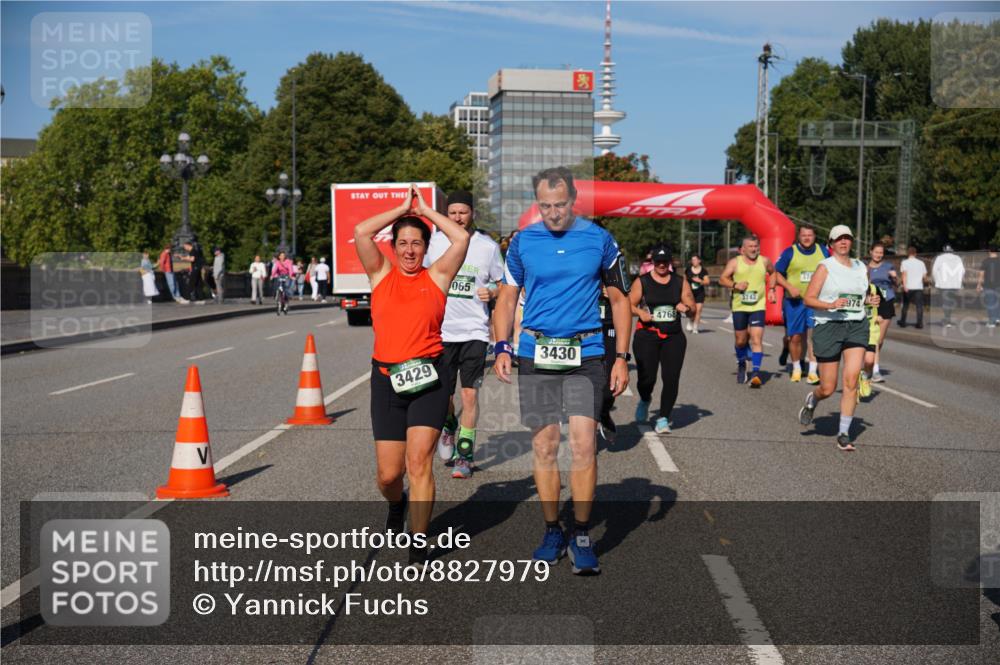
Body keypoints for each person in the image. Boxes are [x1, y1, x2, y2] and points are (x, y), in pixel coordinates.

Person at [493, 166, 631, 575]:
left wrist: (621, 356)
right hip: (536, 351)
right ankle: (553, 528)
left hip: (586, 351)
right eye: (544, 205)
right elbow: (506, 298)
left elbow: (621, 300)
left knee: (585, 445)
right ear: (537, 203)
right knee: (545, 447)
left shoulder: (599, 240)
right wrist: (502, 345)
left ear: (574, 200)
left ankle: (583, 533)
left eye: (560, 205)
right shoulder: (522, 242)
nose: (552, 213)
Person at [355, 185, 469, 565]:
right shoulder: (380, 274)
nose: (409, 250)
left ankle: (419, 540)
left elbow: (460, 236)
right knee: (389, 475)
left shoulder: (437, 276)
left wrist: (426, 212)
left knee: (419, 462)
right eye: (402, 242)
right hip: (387, 380)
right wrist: (402, 208)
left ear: (425, 247)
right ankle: (397, 503)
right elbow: (360, 232)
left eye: (416, 243)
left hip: (429, 379)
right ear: (392, 246)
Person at [424, 190, 505, 479]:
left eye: (463, 212)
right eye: (453, 212)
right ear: (446, 214)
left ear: (472, 214)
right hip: (440, 333)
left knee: (470, 396)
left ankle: (465, 455)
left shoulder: (487, 247)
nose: (458, 217)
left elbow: (503, 284)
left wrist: (493, 291)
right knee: (443, 396)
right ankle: (448, 426)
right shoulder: (433, 244)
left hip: (475, 333)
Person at [798, 225, 878, 451]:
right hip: (829, 326)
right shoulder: (825, 267)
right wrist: (830, 305)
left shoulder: (862, 267)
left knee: (851, 380)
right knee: (828, 387)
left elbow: (861, 296)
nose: (844, 242)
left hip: (856, 326)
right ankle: (813, 400)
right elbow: (808, 299)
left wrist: (868, 302)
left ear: (852, 242)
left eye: (847, 239)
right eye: (839, 239)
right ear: (831, 244)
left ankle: (844, 433)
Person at [630, 244, 696, 433]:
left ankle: (664, 417)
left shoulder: (679, 282)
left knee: (671, 378)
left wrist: (687, 308)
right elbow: (627, 304)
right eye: (657, 262)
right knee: (646, 378)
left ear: (670, 262)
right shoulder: (642, 281)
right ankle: (645, 399)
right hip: (647, 336)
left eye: (664, 262)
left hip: (673, 338)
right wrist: (640, 312)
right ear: (653, 263)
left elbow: (692, 307)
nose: (661, 265)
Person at [769, 226, 829, 383]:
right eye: (804, 235)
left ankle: (812, 371)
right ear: (799, 236)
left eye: (810, 235)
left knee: (815, 335)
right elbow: (776, 273)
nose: (807, 238)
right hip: (795, 301)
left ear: (815, 236)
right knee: (795, 337)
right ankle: (796, 367)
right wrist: (789, 287)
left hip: (816, 300)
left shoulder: (823, 251)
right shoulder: (790, 252)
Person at [719, 236, 775, 387]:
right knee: (741, 340)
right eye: (750, 246)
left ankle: (756, 373)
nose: (753, 249)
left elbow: (773, 273)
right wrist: (735, 285)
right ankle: (742, 363)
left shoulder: (764, 261)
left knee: (757, 339)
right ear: (743, 249)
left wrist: (771, 289)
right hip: (740, 307)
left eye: (755, 246)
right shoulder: (735, 262)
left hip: (758, 306)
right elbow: (722, 279)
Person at [866, 242, 897, 382]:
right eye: (876, 252)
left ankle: (872, 364)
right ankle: (875, 370)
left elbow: (898, 284)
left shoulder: (888, 266)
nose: (878, 255)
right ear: (871, 252)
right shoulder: (864, 267)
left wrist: (895, 277)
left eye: (881, 253)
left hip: (886, 302)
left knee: (879, 339)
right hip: (871, 303)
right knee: (873, 337)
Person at [859, 281, 885, 401]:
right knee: (855, 362)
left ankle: (865, 377)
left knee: (869, 361)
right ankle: (852, 389)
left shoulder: (875, 289)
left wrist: (881, 315)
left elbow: (886, 303)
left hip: (871, 330)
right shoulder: (852, 288)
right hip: (855, 329)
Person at [932, 244, 965, 328]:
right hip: (955, 284)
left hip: (943, 285)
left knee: (945, 302)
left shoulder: (940, 258)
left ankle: (947, 320)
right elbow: (963, 271)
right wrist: (959, 282)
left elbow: (934, 271)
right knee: (950, 302)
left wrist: (937, 282)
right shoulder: (958, 258)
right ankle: (948, 319)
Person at [899, 246, 927, 328]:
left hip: (908, 287)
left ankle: (903, 322)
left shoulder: (905, 262)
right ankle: (919, 323)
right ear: (915, 253)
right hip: (918, 287)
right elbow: (925, 276)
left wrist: (904, 286)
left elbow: (904, 275)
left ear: (908, 253)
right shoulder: (921, 263)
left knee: (905, 305)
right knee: (919, 306)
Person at [684, 254, 710, 333]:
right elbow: (684, 280)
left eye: (695, 260)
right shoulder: (688, 269)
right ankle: (690, 321)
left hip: (699, 293)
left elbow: (707, 282)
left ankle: (695, 328)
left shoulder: (703, 271)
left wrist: (700, 281)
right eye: (692, 260)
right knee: (691, 310)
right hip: (690, 293)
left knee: (698, 310)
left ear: (699, 261)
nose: (693, 261)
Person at [976, 246, 1000, 328]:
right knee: (998, 302)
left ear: (989, 251)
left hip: (988, 285)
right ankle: (998, 319)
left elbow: (981, 274)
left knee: (990, 303)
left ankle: (992, 322)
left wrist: (979, 284)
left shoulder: (985, 261)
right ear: (997, 252)